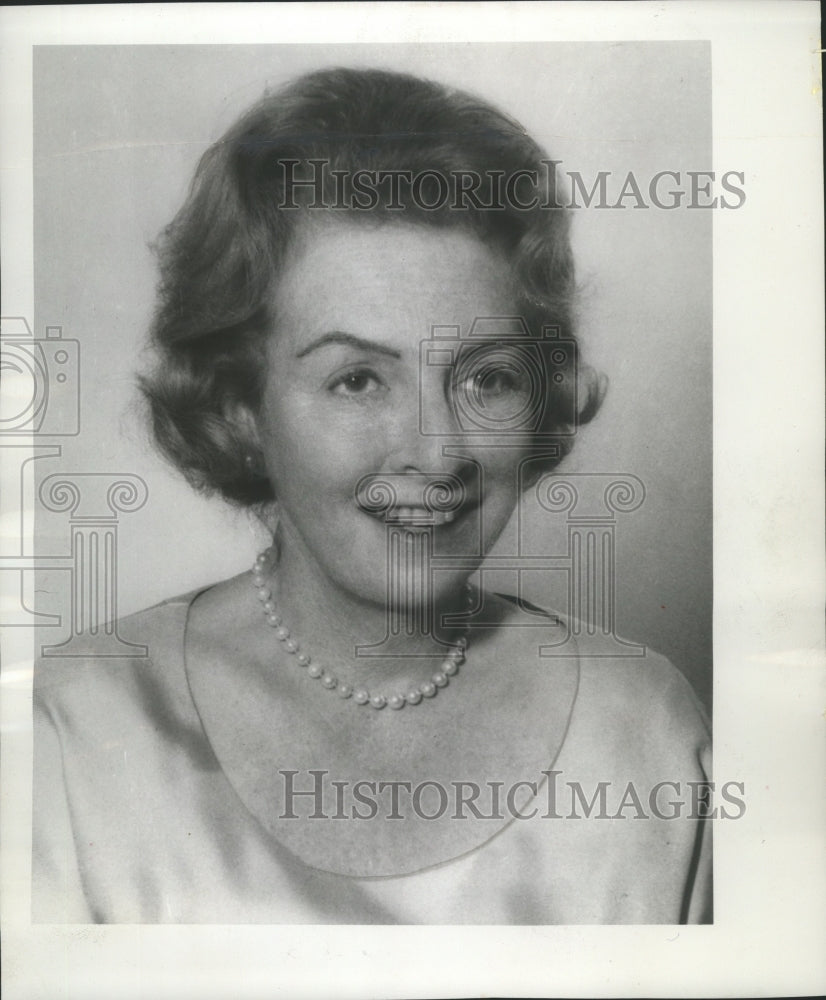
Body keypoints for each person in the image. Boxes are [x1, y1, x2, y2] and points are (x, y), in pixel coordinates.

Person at [33, 66, 712, 924]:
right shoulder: (75, 731)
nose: (435, 452)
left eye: (487, 377)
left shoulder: (645, 729)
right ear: (242, 408)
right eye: (357, 380)